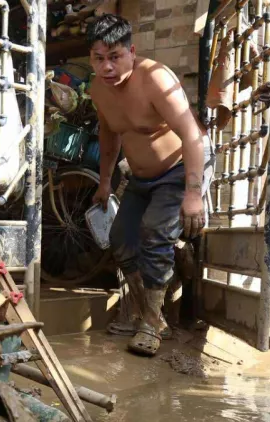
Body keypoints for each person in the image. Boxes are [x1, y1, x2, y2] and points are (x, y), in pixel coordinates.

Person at [88, 14, 211, 357]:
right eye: (99, 59)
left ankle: (151, 324)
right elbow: (109, 134)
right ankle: (147, 312)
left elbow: (191, 135)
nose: (107, 67)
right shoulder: (99, 88)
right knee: (120, 240)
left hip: (178, 169)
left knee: (155, 235)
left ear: (131, 51)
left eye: (115, 57)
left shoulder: (155, 79)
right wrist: (105, 182)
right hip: (139, 176)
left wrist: (193, 192)